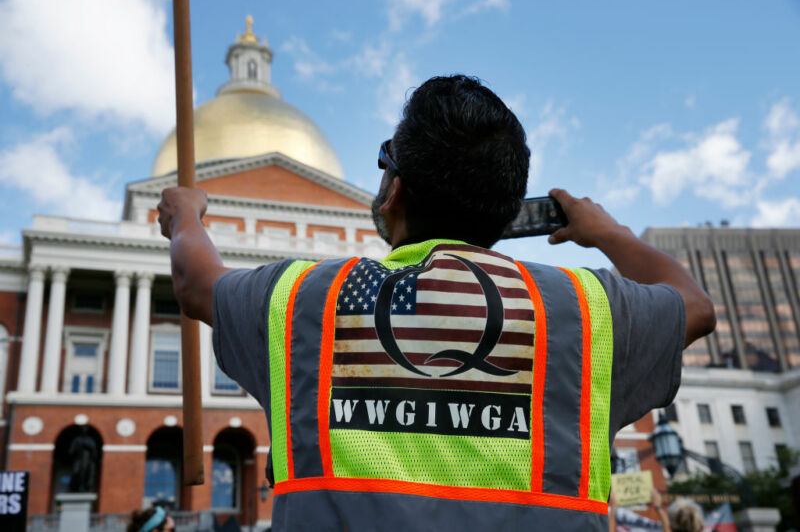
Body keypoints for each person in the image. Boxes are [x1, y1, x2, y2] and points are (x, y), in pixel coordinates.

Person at [157, 75, 715, 531]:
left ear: (394, 189)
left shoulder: (308, 299)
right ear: (507, 209)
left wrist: (186, 212)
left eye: (384, 162)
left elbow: (196, 281)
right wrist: (607, 232)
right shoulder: (587, 311)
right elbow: (694, 305)